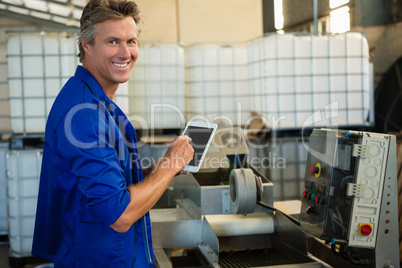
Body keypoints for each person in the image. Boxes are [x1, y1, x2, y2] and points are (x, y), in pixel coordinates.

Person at [31, 0, 194, 267]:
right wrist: (170, 165)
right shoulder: (84, 114)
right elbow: (119, 214)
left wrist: (156, 170)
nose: (125, 52)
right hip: (98, 259)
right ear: (86, 45)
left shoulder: (97, 101)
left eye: (131, 41)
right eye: (112, 42)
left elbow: (107, 183)